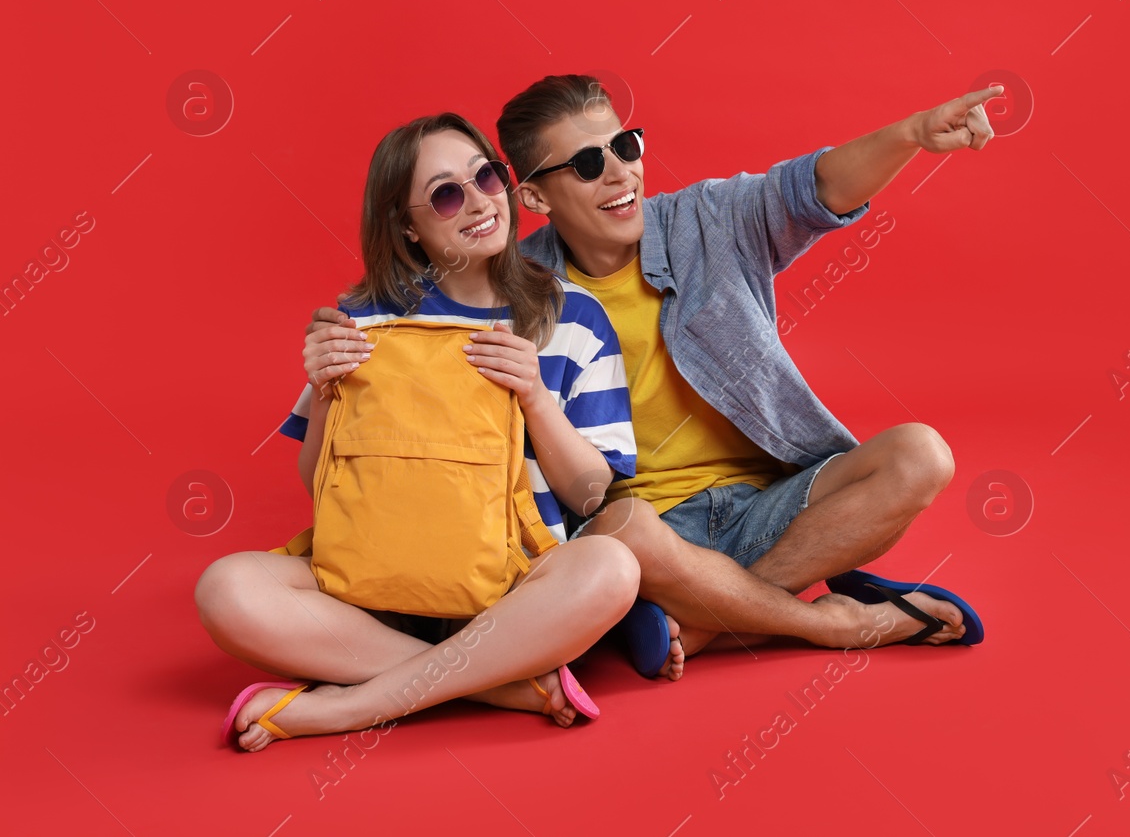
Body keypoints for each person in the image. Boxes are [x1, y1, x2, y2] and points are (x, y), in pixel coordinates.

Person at [305, 77, 997, 678]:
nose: (620, 175)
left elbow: (814, 187)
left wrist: (911, 134)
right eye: (585, 163)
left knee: (920, 455)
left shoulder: (708, 221)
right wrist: (341, 352)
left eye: (625, 147)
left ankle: (716, 624)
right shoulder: (520, 292)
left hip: (774, 504)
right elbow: (429, 321)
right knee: (625, 532)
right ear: (535, 197)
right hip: (642, 536)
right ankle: (828, 621)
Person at [196, 112, 644, 751]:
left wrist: (536, 398)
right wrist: (325, 392)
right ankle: (498, 684)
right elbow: (317, 486)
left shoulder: (572, 316)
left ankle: (352, 707)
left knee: (610, 565)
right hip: (377, 585)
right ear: (406, 224)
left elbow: (593, 493)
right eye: (446, 194)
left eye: (486, 177)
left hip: (513, 590)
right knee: (226, 588)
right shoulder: (364, 320)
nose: (479, 202)